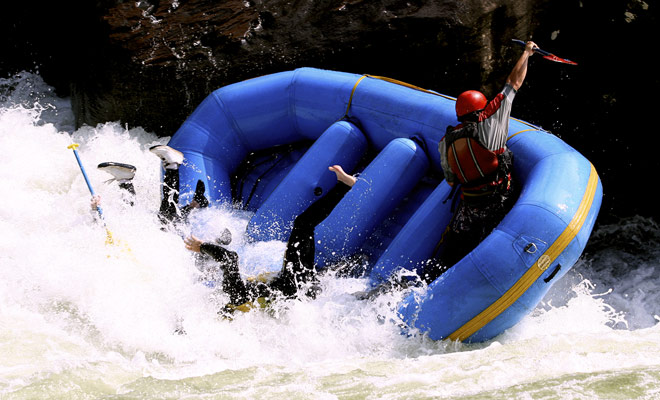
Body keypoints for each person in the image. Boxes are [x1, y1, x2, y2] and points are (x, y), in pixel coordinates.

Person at [422, 40, 538, 283]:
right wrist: (527, 52)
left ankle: (436, 278)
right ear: (481, 109)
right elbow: (513, 83)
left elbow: (451, 178)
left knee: (452, 250)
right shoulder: (491, 120)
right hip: (498, 199)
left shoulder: (447, 140)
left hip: (469, 207)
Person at [184, 164, 357, 313]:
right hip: (295, 285)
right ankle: (344, 186)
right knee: (303, 224)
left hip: (299, 295)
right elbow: (229, 258)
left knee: (308, 238)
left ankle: (349, 274)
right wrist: (201, 247)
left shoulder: (245, 313)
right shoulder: (236, 296)